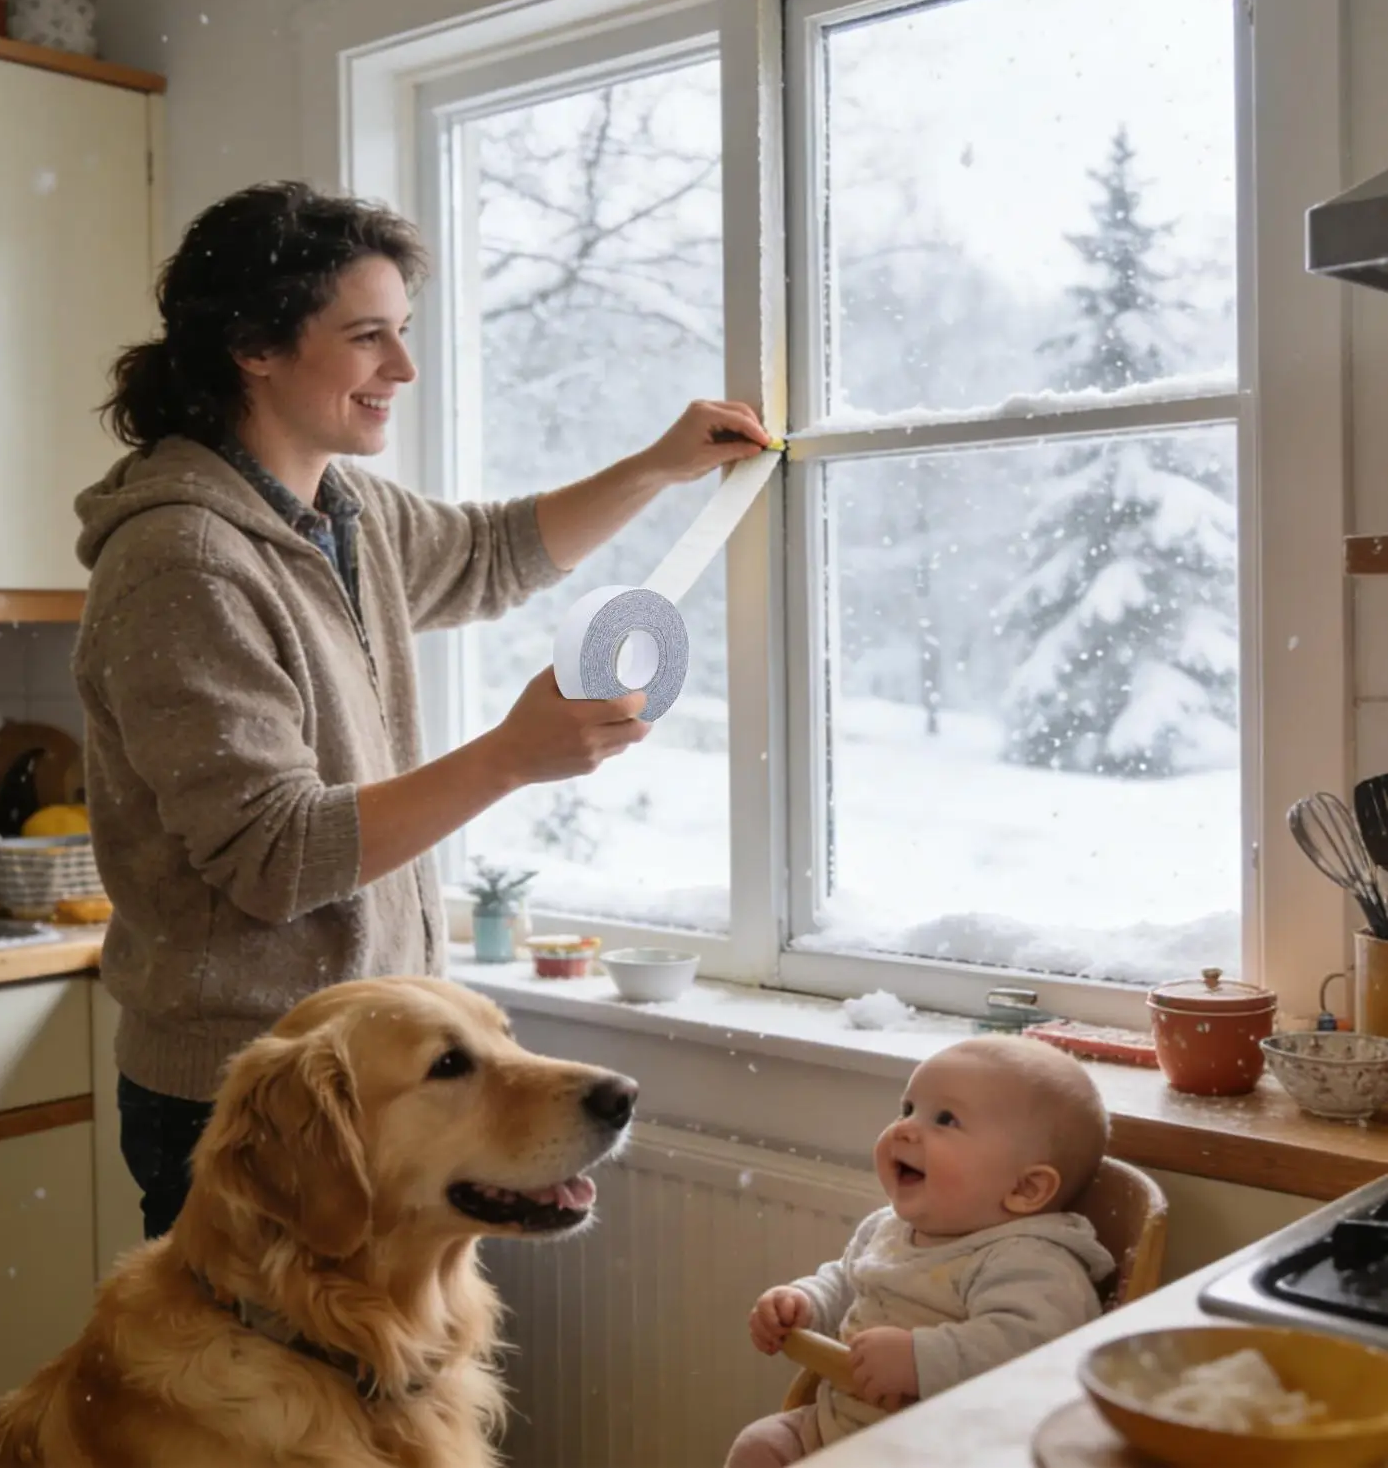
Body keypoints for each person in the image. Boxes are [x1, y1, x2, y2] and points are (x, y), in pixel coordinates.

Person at [72, 180, 771, 1239]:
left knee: (383, 1351)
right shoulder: (185, 561)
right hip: (254, 1095)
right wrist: (509, 756)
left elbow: (493, 553)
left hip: (372, 1076)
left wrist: (658, 468)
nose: (402, 367)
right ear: (254, 345)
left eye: (402, 332)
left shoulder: (342, 510)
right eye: (367, 337)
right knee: (257, 1355)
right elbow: (275, 856)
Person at [724, 1036, 1114, 1466]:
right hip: (839, 1427)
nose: (905, 1128)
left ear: (1026, 1188)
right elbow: (847, 1281)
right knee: (761, 1445)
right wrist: (804, 1302)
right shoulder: (888, 1228)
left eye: (945, 1119)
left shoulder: (1031, 1260)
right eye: (908, 1109)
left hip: (944, 1451)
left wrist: (921, 1360)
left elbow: (1036, 1353)